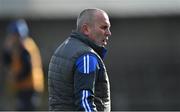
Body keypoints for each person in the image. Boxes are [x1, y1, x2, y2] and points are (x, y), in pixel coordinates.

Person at [48, 8, 111, 111]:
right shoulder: (87, 57)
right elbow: (85, 102)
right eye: (104, 27)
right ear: (86, 29)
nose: (108, 33)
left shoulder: (62, 49)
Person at [1, 19, 44, 110]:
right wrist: (6, 50)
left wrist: (15, 77)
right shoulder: (20, 46)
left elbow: (26, 69)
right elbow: (8, 61)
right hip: (25, 87)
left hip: (29, 88)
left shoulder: (25, 47)